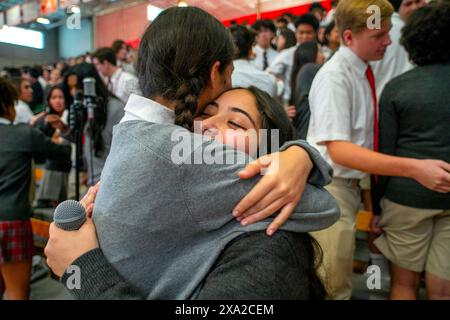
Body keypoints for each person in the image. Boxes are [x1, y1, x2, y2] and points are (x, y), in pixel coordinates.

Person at [45, 6, 338, 300]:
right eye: (208, 112)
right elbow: (325, 206)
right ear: (215, 73)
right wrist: (299, 156)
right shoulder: (184, 152)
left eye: (236, 123)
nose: (209, 126)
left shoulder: (133, 132)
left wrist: (296, 153)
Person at [306, 0, 450, 300]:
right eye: (378, 36)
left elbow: (363, 143)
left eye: (387, 33)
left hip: (352, 187)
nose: (388, 41)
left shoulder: (363, 72)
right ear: (348, 37)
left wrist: (371, 204)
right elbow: (341, 151)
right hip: (332, 188)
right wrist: (414, 167)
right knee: (333, 287)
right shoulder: (335, 77)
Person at [373, 1, 450, 300]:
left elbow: (386, 154)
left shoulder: (396, 88)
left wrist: (377, 207)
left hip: (406, 197)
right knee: (443, 292)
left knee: (404, 285)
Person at [0, 77, 71, 300]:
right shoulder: (22, 133)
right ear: (7, 105)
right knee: (17, 293)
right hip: (12, 221)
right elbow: (61, 153)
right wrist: (62, 132)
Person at [54, 63, 125, 186]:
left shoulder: (115, 109)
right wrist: (63, 128)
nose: (74, 92)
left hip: (111, 184)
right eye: (70, 88)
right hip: (93, 182)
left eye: (77, 87)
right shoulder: (84, 109)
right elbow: (86, 141)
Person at [267, 13, 319, 103]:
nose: (305, 36)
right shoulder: (287, 54)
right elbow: (268, 74)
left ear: (315, 33)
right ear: (296, 33)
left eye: (309, 33)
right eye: (301, 32)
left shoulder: (321, 53)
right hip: (293, 102)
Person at [33, 86, 72, 208]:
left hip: (70, 167)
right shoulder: (45, 120)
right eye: (54, 97)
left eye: (60, 97)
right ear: (49, 100)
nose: (58, 101)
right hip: (52, 167)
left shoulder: (71, 116)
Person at [230, 25, 278, 97]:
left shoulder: (221, 80)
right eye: (260, 32)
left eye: (266, 31)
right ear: (251, 49)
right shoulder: (270, 80)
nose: (263, 35)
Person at [290, 41, 325, 106]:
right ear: (310, 54)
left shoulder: (299, 75)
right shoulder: (308, 70)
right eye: (320, 52)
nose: (323, 56)